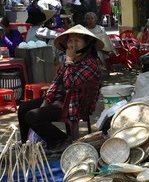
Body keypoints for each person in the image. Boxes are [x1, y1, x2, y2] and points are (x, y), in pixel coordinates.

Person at [17, 25, 104, 153]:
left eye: (77, 41)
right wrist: (45, 102)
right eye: (70, 41)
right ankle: (27, 145)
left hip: (75, 104)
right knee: (24, 109)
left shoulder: (91, 64)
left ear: (87, 44)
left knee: (32, 116)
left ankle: (63, 140)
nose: (72, 45)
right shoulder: (70, 61)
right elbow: (56, 83)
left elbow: (69, 84)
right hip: (59, 100)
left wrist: (69, 61)